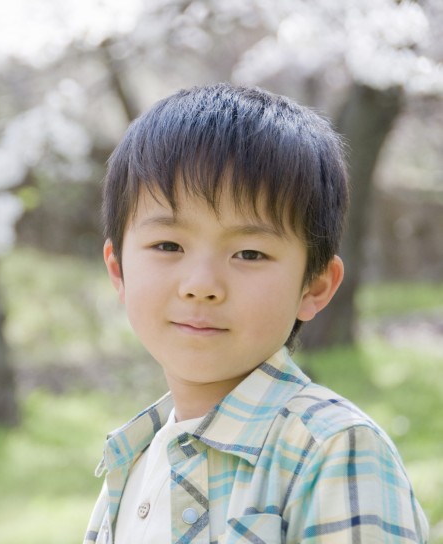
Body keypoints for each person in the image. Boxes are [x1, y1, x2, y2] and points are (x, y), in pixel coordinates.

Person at [84, 83, 429, 543]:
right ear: (118, 270)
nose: (201, 285)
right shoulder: (132, 461)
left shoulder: (329, 449)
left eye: (249, 253)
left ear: (315, 285)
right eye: (168, 245)